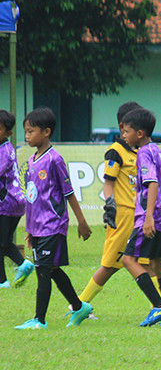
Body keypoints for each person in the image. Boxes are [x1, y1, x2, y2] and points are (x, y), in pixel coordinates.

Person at [15, 107, 93, 329]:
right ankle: (79, 307)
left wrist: (82, 221)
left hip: (53, 225)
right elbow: (33, 197)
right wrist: (30, 228)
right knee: (52, 269)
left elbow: (68, 192)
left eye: (31, 131)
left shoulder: (55, 159)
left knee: (43, 271)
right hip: (38, 227)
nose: (27, 135)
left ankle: (39, 320)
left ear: (46, 131)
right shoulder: (31, 161)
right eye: (26, 131)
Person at [77, 101, 148, 309]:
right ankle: (78, 305)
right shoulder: (116, 151)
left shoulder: (141, 153)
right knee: (109, 265)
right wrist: (110, 205)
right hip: (123, 216)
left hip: (139, 217)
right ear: (123, 126)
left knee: (146, 263)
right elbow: (108, 184)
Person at [119, 108, 161, 327]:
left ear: (139, 133)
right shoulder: (157, 149)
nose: (123, 136)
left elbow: (153, 183)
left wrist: (148, 218)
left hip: (153, 213)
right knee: (157, 264)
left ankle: (159, 306)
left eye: (126, 131)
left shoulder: (144, 153)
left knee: (128, 259)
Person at [0, 110, 29, 289]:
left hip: (7, 203)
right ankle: (3, 281)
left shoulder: (5, 150)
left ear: (8, 134)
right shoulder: (6, 148)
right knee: (2, 243)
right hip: (14, 202)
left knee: (2, 243)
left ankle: (23, 265)